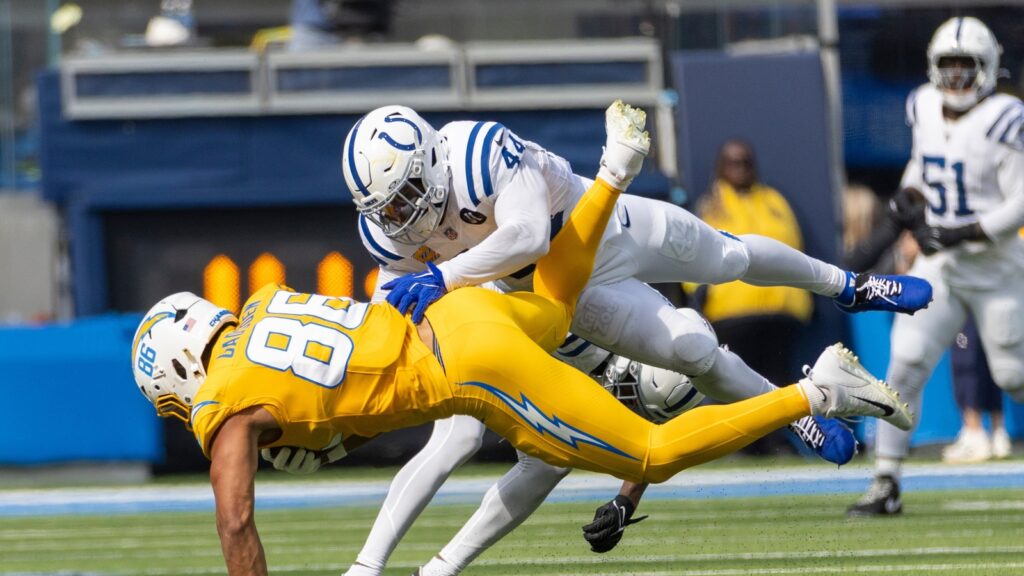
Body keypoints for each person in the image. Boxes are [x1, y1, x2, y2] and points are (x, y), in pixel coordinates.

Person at [131, 102, 912, 576]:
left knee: (664, 407)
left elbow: (528, 232)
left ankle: (823, 360)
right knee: (661, 366)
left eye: (408, 192)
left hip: (549, 266)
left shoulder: (473, 153)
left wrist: (438, 280)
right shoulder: (267, 303)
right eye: (388, 203)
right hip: (505, 307)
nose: (402, 214)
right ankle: (617, 172)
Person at [847, 16, 1024, 517]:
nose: (955, 77)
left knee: (1015, 377)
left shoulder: (1005, 116)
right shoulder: (923, 105)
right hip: (941, 266)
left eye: (966, 66)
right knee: (905, 363)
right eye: (948, 66)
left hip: (997, 267)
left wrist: (963, 230)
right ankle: (886, 482)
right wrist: (909, 197)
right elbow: (922, 164)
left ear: (988, 68)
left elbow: (1020, 201)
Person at [690, 139, 814, 455]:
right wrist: (698, 296)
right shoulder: (711, 205)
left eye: (745, 161)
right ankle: (738, 442)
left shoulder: (773, 201)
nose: (740, 168)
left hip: (777, 310)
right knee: (735, 380)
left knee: (778, 380)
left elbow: (793, 246)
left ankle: (778, 440)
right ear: (720, 167)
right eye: (732, 162)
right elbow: (692, 252)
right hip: (732, 311)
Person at [941, 317, 1013, 463]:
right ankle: (998, 434)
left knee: (965, 354)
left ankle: (974, 433)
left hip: (966, 299)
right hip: (996, 300)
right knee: (992, 356)